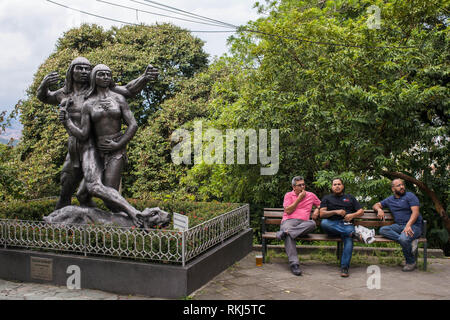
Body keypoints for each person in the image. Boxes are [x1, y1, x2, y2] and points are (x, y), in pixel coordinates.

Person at [37, 57, 158, 209]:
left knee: (96, 190)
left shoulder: (96, 89)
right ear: (71, 71)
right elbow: (44, 97)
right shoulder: (64, 93)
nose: (84, 72)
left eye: (87, 68)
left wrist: (144, 78)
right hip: (75, 145)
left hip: (93, 146)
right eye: (79, 68)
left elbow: (128, 90)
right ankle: (74, 226)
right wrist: (44, 84)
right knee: (67, 187)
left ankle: (119, 220)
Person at [61, 64, 138, 216]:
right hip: (97, 151)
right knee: (82, 194)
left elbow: (133, 125)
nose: (105, 77)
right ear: (94, 77)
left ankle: (135, 220)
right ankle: (99, 222)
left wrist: (118, 144)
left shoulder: (119, 99)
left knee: (110, 195)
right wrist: (67, 122)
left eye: (108, 74)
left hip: (116, 151)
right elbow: (83, 134)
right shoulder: (88, 104)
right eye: (101, 74)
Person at [373, 179, 423, 271]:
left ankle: (411, 262)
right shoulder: (390, 199)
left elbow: (415, 213)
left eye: (402, 185)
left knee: (403, 239)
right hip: (399, 226)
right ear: (393, 189)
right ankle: (408, 242)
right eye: (399, 185)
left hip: (414, 226)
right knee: (383, 230)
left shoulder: (410, 196)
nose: (402, 187)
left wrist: (408, 225)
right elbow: (376, 205)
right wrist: (379, 209)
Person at [319, 178, 364, 277]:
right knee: (324, 223)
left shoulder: (350, 198)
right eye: (334, 184)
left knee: (348, 239)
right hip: (332, 225)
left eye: (339, 184)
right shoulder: (327, 198)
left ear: (343, 186)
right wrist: (336, 211)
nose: (337, 186)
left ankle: (344, 268)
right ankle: (352, 234)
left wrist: (352, 215)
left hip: (346, 224)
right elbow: (322, 214)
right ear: (332, 187)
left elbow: (361, 211)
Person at [277, 176, 320, 276]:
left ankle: (285, 233)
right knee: (289, 235)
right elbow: (288, 210)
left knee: (312, 223)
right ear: (294, 187)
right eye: (299, 185)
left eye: (303, 184)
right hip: (289, 221)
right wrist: (299, 198)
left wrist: (317, 209)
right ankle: (294, 264)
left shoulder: (311, 195)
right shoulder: (288, 195)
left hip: (304, 224)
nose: (302, 187)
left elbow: (321, 205)